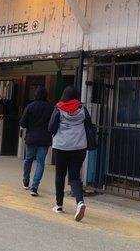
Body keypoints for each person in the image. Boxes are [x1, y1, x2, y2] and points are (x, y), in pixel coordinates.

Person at [48, 85, 92, 222]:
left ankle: (59, 205)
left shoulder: (58, 108)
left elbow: (51, 127)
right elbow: (89, 125)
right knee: (74, 176)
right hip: (79, 147)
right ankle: (80, 202)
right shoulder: (82, 109)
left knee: (60, 176)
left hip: (61, 147)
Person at [19, 86, 53, 197]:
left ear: (35, 95)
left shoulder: (30, 107)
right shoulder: (50, 108)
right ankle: (34, 186)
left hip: (31, 138)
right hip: (44, 139)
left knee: (28, 159)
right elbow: (53, 124)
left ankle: (25, 180)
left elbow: (23, 123)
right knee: (40, 162)